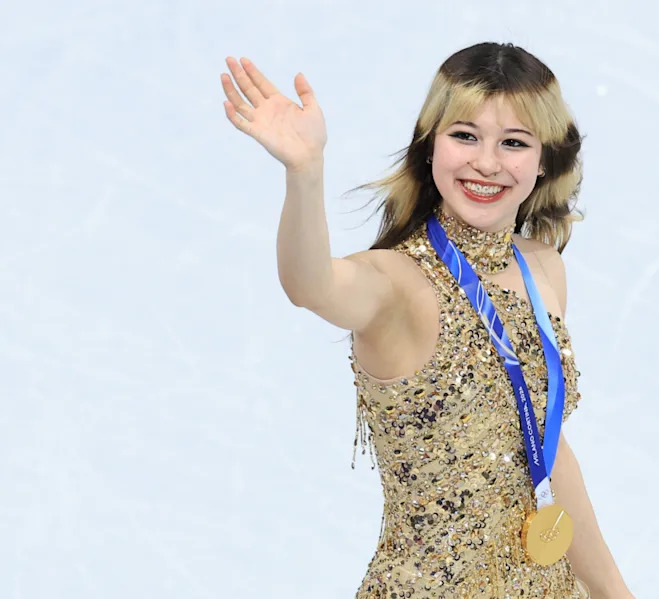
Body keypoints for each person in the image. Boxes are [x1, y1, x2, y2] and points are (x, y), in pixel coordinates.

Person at [220, 41, 634, 599]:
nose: (486, 162)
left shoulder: (543, 268)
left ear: (544, 160)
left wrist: (614, 592)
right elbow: (310, 284)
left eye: (513, 143)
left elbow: (547, 447)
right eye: (464, 136)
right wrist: (305, 173)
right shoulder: (396, 284)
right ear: (430, 145)